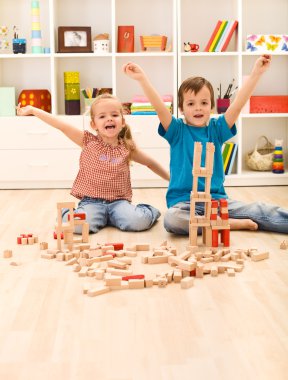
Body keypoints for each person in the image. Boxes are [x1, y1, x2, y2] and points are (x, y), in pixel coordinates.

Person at [123, 55, 288, 234]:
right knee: (172, 219)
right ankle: (229, 224)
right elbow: (159, 107)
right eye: (191, 104)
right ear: (181, 108)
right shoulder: (176, 130)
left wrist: (256, 73)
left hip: (217, 201)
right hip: (184, 203)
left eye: (204, 103)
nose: (198, 108)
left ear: (211, 106)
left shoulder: (216, 129)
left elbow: (238, 105)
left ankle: (220, 221)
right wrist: (142, 79)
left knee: (260, 210)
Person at [17, 93, 169, 234]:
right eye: (102, 116)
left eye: (114, 115)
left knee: (137, 222)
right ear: (94, 124)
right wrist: (33, 110)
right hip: (91, 202)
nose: (109, 119)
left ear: (122, 122)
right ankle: (73, 214)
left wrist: (172, 180)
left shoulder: (127, 148)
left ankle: (145, 211)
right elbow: (60, 125)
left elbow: (151, 163)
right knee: (75, 226)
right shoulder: (87, 141)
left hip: (119, 202)